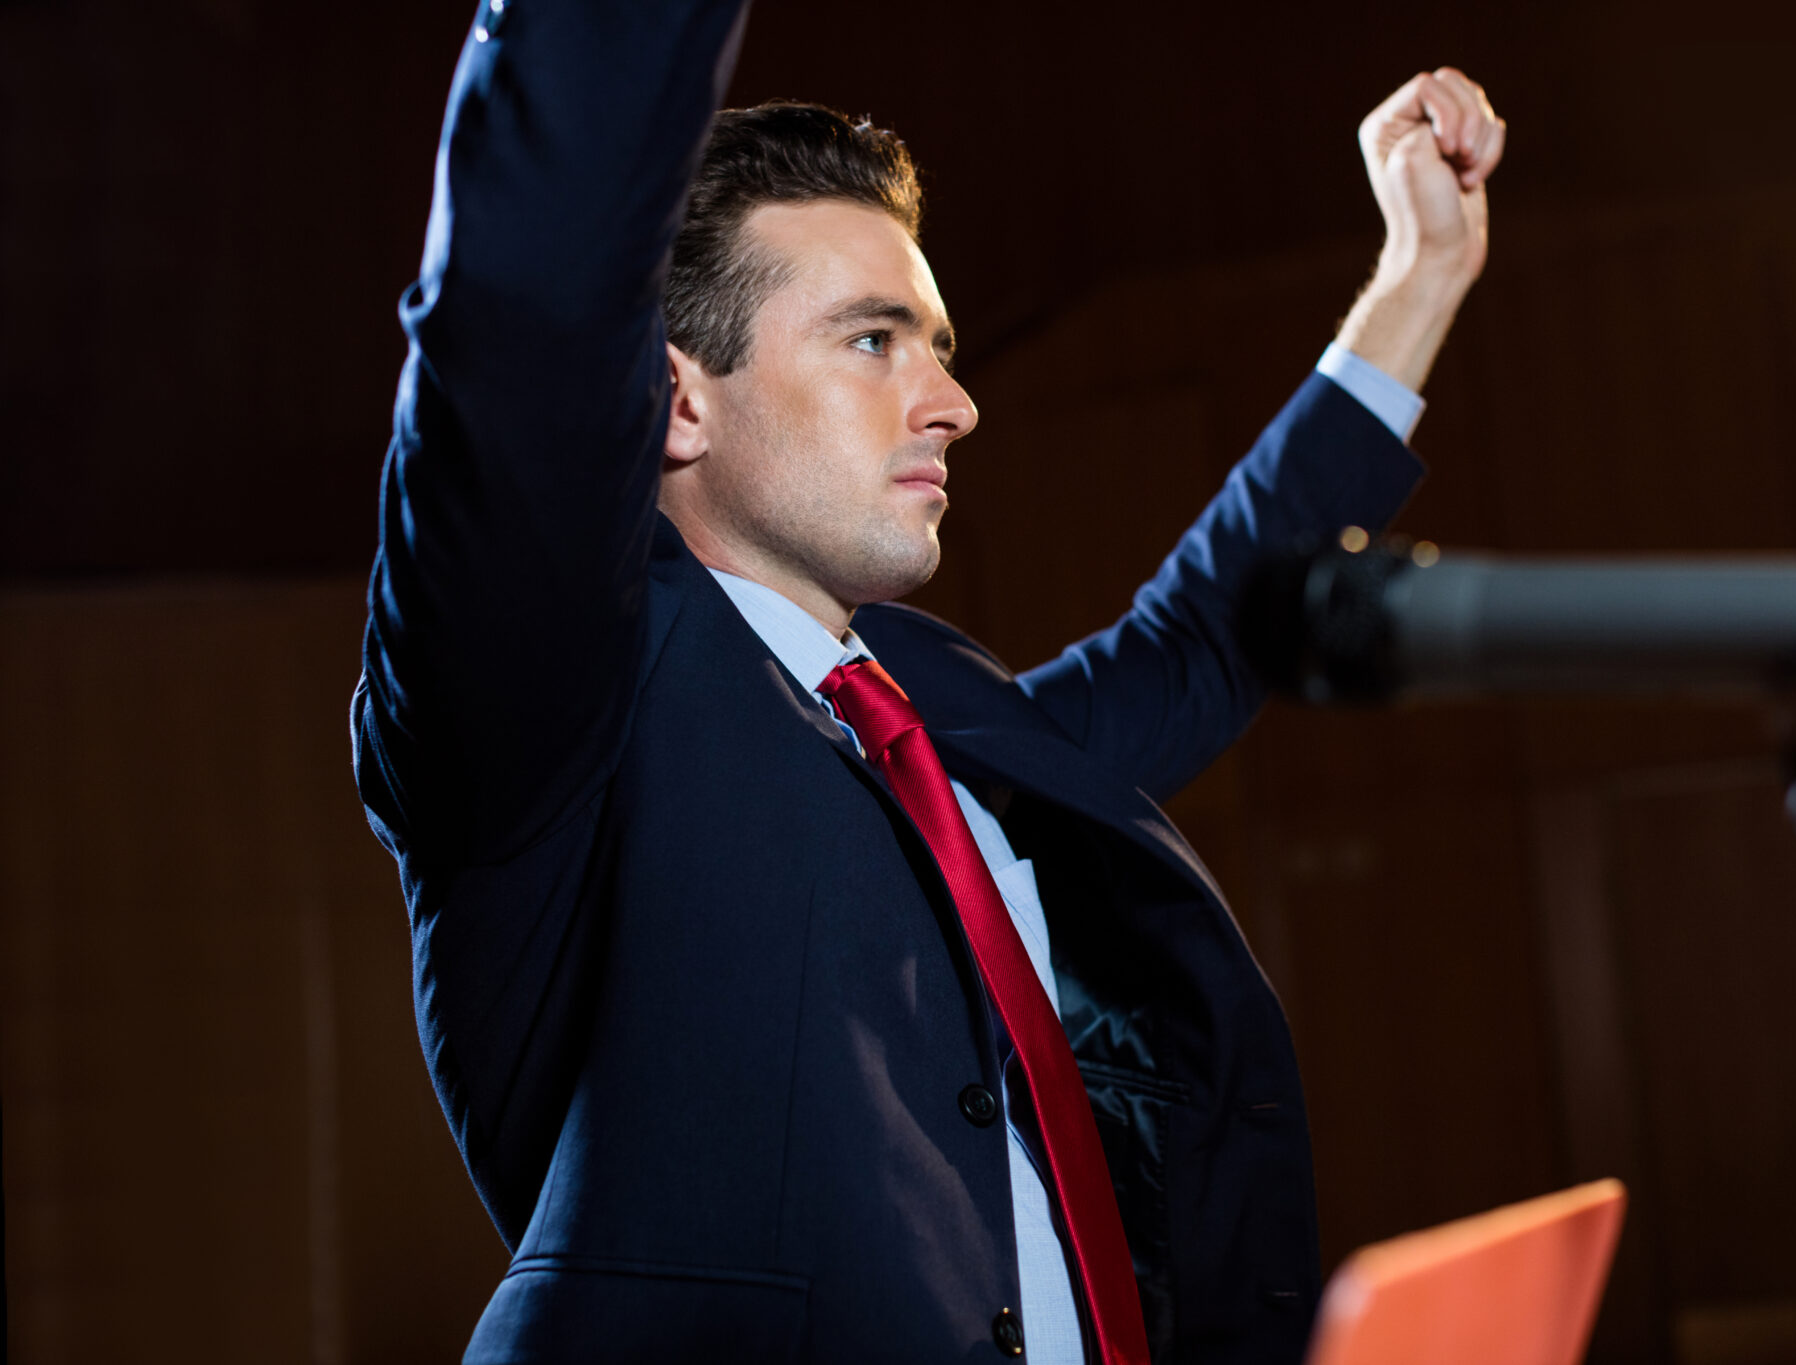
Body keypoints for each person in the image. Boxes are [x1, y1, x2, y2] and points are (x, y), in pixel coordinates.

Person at [351, 1, 1503, 1361]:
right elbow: (521, 316)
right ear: (676, 401)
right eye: (873, 339)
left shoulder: (919, 699)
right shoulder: (551, 694)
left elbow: (1200, 643)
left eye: (940, 345)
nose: (952, 401)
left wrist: (1419, 276)